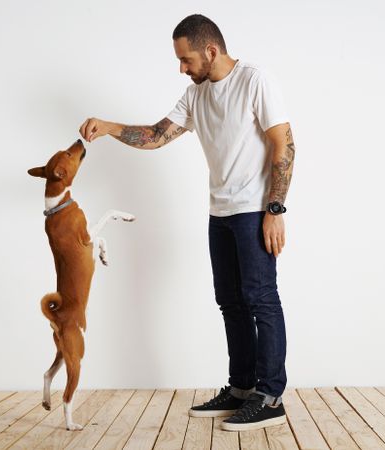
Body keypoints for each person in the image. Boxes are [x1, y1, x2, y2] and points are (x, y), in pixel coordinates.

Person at [79, 13, 295, 432]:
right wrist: (108, 128)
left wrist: (275, 210)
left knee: (261, 299)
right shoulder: (195, 95)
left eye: (186, 59)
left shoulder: (255, 80)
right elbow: (158, 134)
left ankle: (270, 396)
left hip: (255, 211)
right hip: (220, 213)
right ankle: (242, 388)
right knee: (230, 302)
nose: (182, 68)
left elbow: (283, 144)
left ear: (211, 51)